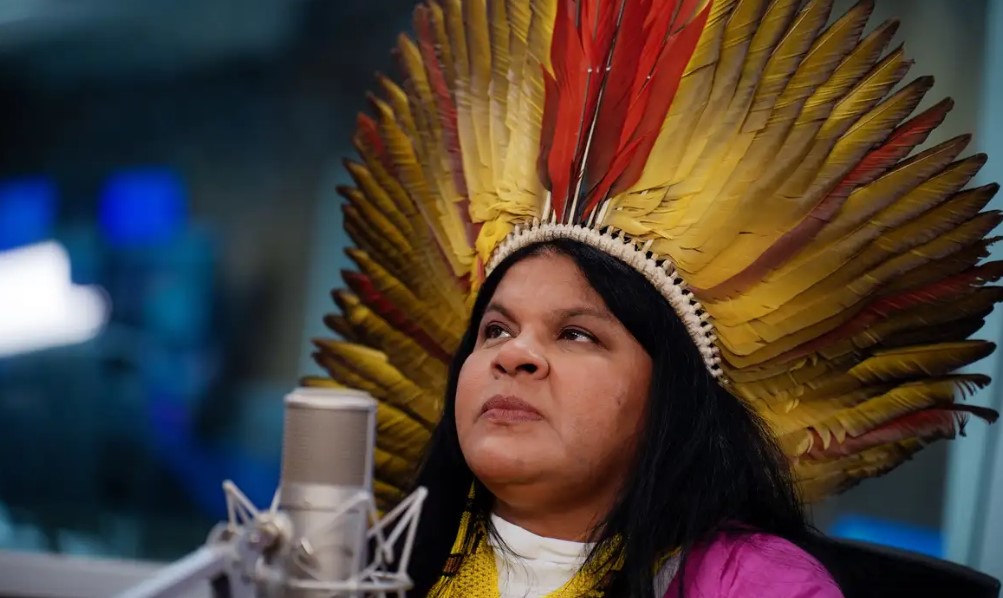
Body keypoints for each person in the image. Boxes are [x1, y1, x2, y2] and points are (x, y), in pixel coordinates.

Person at [305, 0, 1001, 595]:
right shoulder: (366, 561)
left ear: (672, 396)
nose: (514, 356)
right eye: (494, 330)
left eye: (576, 333)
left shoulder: (757, 585)